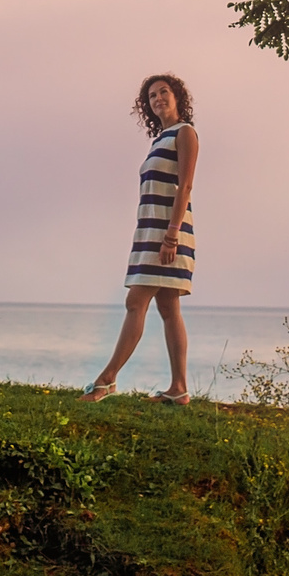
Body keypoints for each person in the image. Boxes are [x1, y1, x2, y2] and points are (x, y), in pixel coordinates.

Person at [85, 73, 199, 403]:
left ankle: (106, 380)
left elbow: (185, 186)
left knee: (136, 301)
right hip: (151, 230)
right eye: (152, 96)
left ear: (177, 97)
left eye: (164, 92)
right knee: (167, 306)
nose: (158, 98)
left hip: (168, 232)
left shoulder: (185, 133)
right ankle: (179, 389)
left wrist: (172, 236)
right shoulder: (160, 139)